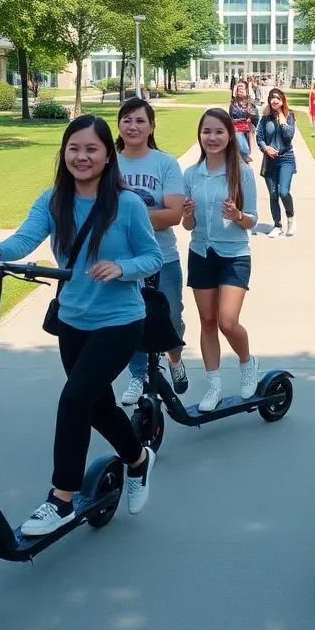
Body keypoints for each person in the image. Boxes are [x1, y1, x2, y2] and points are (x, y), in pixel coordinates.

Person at [0, 115, 162, 535]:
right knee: (98, 407)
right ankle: (139, 459)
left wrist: (122, 266)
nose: (82, 157)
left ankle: (61, 499)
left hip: (120, 323)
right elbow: (24, 240)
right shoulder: (53, 200)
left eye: (91, 149)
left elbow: (152, 258)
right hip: (73, 321)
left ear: (108, 155)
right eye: (74, 148)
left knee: (74, 400)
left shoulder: (126, 205)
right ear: (64, 154)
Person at [182, 108, 260, 411]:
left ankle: (247, 362)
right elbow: (188, 226)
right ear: (200, 136)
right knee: (207, 321)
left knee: (228, 321)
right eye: (206, 132)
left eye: (218, 132)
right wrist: (187, 215)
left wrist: (237, 215)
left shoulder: (242, 173)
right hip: (201, 252)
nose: (212, 138)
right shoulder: (191, 174)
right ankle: (213, 387)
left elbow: (253, 221)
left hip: (234, 256)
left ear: (230, 136)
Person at [114, 98, 190, 405]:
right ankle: (138, 375)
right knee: (131, 320)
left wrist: (126, 218)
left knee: (171, 316)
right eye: (127, 120)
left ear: (151, 126)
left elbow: (173, 215)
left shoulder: (165, 163)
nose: (133, 126)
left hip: (162, 255)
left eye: (140, 120)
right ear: (118, 125)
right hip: (122, 260)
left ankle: (174, 359)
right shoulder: (109, 163)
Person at [257, 88, 298, 238]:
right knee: (273, 194)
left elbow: (289, 137)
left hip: (286, 158)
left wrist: (283, 123)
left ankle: (291, 219)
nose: (274, 100)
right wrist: (265, 147)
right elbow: (259, 137)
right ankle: (277, 225)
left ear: (282, 100)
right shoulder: (265, 118)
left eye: (277, 98)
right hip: (270, 160)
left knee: (283, 191)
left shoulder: (289, 116)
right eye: (271, 98)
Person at [229, 81, 256, 165]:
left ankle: (243, 157)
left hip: (246, 127)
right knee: (240, 144)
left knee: (244, 147)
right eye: (238, 89)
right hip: (236, 127)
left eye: (242, 89)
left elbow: (254, 114)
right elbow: (230, 115)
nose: (240, 91)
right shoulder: (233, 102)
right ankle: (242, 157)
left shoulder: (250, 102)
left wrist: (250, 118)